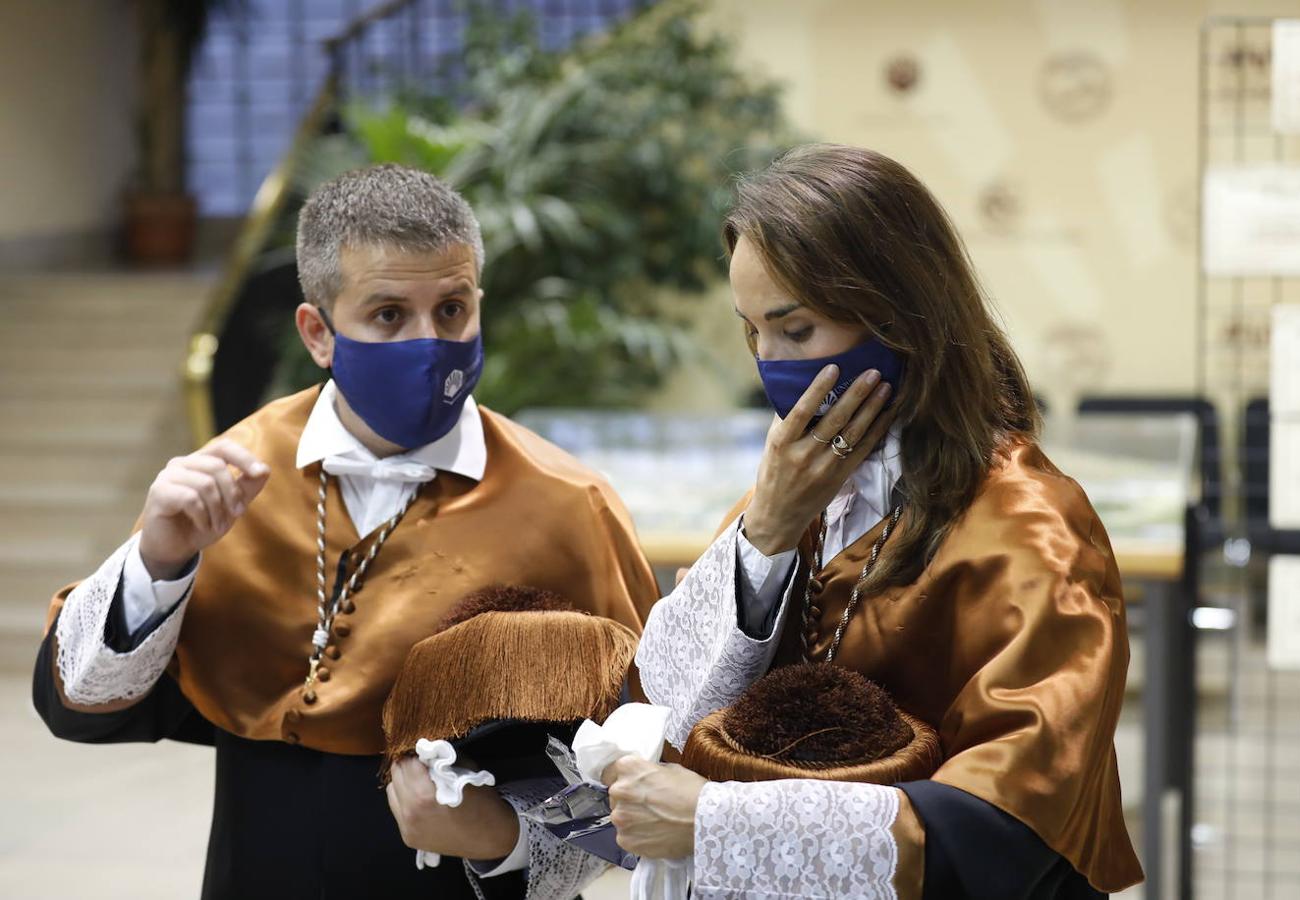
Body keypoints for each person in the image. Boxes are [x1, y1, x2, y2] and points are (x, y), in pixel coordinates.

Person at [33, 164, 658, 900]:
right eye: (389, 315)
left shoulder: (566, 504)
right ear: (318, 333)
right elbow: (80, 701)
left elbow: (647, 776)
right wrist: (159, 560)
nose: (432, 343)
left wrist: (504, 836)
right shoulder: (236, 477)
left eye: (452, 310)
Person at [600, 144, 1144, 899]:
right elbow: (666, 705)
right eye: (752, 331)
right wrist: (765, 532)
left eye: (796, 332)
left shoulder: (1031, 525)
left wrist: (723, 825)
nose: (770, 362)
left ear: (900, 317)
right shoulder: (800, 488)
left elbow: (1011, 821)